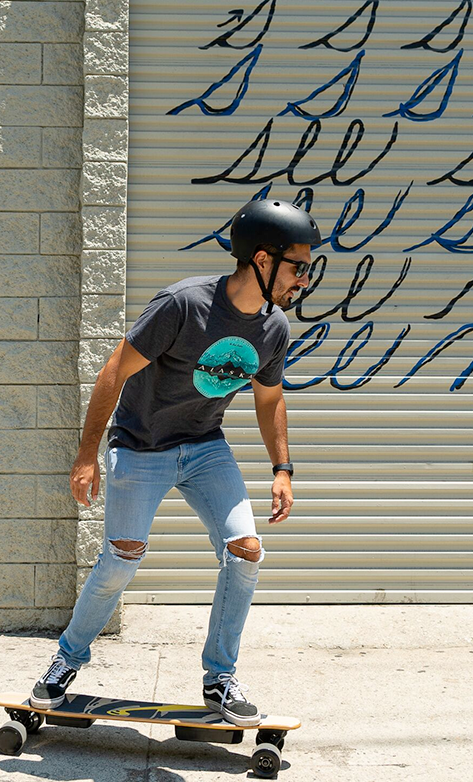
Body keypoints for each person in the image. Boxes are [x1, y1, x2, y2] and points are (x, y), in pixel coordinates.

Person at [30, 199, 320, 726]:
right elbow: (113, 372)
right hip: (140, 446)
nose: (304, 279)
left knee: (246, 553)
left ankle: (220, 679)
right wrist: (86, 456)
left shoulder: (274, 328)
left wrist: (283, 468)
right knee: (121, 560)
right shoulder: (185, 306)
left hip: (205, 446)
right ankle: (64, 661)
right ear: (261, 259)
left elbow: (269, 398)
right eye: (299, 266)